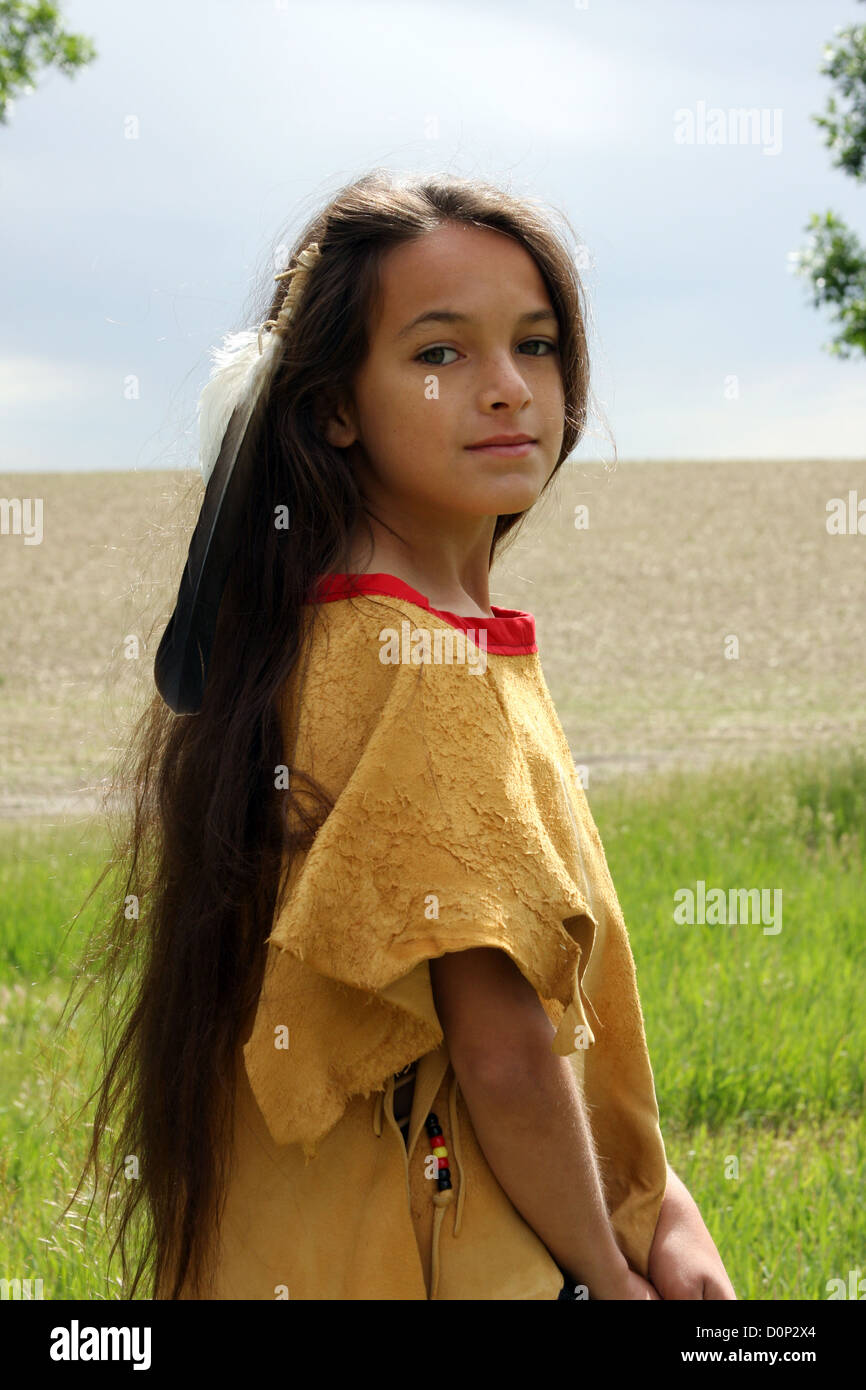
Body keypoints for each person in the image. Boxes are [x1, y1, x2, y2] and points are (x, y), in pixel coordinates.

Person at [64, 168, 736, 1301]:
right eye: (438, 354)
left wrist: (659, 1204)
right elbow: (501, 1052)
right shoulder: (418, 666)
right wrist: (613, 1279)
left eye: (533, 345)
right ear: (333, 404)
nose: (505, 389)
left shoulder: (344, 627)